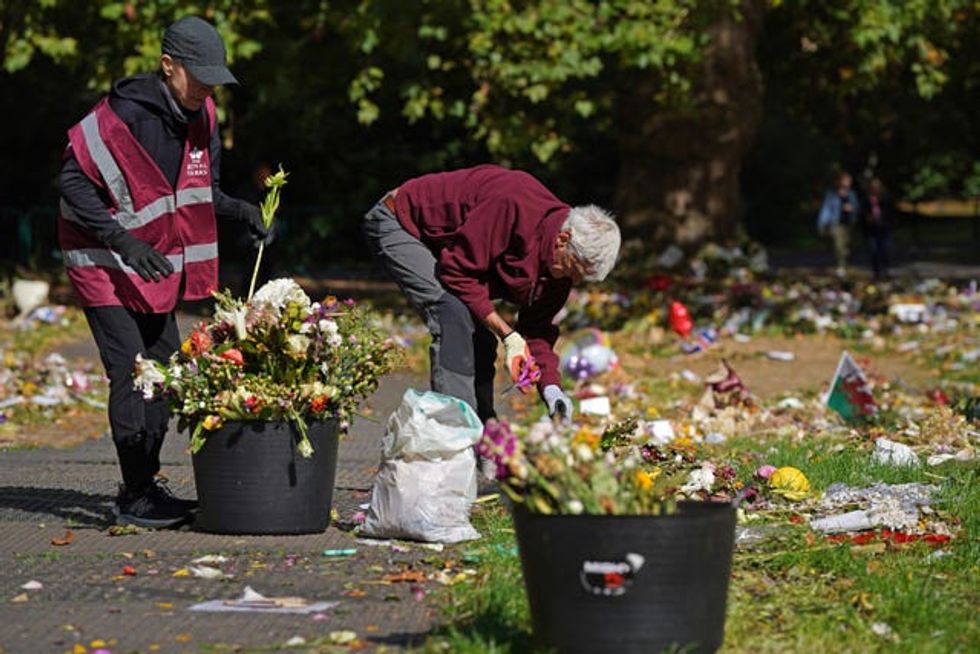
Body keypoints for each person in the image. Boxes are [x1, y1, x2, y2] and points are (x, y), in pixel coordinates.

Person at [57, 16, 272, 528]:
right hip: (102, 259)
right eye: (196, 75)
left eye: (212, 78)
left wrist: (244, 211)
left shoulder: (204, 116)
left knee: (167, 369)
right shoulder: (121, 115)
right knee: (132, 371)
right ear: (167, 65)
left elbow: (199, 194)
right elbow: (70, 181)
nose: (205, 87)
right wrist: (120, 240)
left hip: (151, 263)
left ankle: (145, 483)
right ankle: (133, 496)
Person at [362, 164, 620, 424]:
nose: (572, 280)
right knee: (452, 312)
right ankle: (455, 432)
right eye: (574, 270)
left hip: (448, 252)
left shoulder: (559, 268)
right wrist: (508, 335)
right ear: (563, 239)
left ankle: (483, 432)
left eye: (581, 277)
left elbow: (537, 330)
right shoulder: (512, 203)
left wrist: (552, 390)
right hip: (401, 221)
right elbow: (458, 273)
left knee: (481, 339)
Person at [817, 171, 860, 277]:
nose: (847, 182)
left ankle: (845, 264)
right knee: (838, 244)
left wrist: (852, 210)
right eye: (845, 180)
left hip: (849, 223)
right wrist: (822, 223)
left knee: (846, 246)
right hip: (836, 223)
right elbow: (826, 209)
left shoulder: (852, 194)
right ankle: (841, 266)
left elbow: (857, 208)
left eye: (849, 180)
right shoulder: (832, 194)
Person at [860, 177, 894, 279]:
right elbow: (861, 214)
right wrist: (867, 219)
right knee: (873, 251)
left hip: (884, 228)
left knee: (885, 250)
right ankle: (877, 272)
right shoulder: (865, 200)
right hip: (871, 230)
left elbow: (891, 214)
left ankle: (886, 270)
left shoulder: (886, 198)